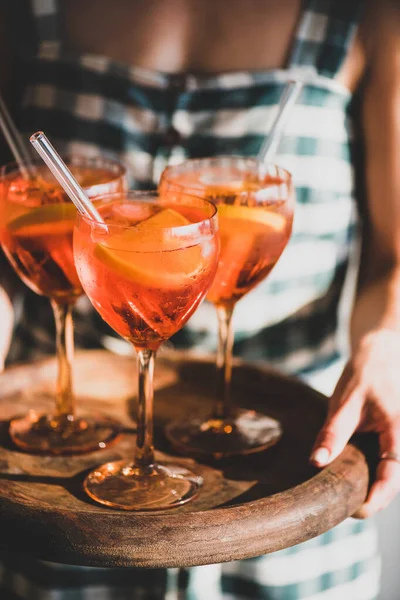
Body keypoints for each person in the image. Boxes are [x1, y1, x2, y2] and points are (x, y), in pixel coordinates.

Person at [0, 0, 399, 598]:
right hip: (68, 516)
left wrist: (388, 343)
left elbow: (396, 255)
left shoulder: (371, 14)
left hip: (287, 494)